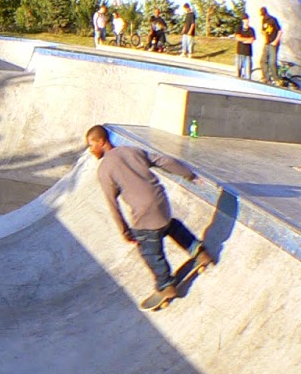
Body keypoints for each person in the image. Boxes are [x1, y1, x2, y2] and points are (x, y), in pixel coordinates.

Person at [85, 124, 213, 305]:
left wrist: (125, 231)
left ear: (100, 141)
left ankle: (165, 285)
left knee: (148, 248)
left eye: (91, 144)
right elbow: (163, 161)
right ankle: (199, 251)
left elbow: (113, 205)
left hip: (144, 212)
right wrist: (189, 174)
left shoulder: (104, 169)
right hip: (161, 201)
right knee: (168, 225)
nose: (90, 149)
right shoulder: (132, 150)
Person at [259, 6, 282, 84]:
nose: (263, 16)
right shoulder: (263, 20)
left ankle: (276, 79)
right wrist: (264, 35)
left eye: (264, 15)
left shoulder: (273, 20)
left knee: (272, 62)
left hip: (273, 43)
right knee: (262, 61)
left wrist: (276, 41)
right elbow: (263, 30)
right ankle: (266, 78)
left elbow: (280, 31)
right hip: (267, 43)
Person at [234, 15, 257, 79]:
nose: (246, 21)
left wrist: (244, 39)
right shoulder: (239, 28)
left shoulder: (251, 30)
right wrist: (247, 39)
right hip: (239, 53)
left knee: (248, 73)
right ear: (242, 20)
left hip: (248, 54)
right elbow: (238, 38)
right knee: (237, 72)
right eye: (244, 19)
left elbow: (252, 39)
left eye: (247, 19)